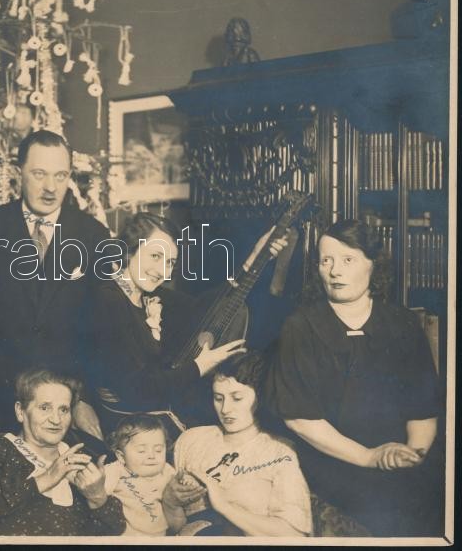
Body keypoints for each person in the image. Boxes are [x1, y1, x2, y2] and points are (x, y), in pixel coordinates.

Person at [265, 219, 442, 536]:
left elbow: (423, 409)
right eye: (326, 261)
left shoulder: (402, 323)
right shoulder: (300, 327)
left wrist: (411, 455)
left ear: (372, 264)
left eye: (348, 259)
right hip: (333, 461)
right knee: (375, 509)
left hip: (400, 455)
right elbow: (300, 418)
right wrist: (369, 457)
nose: (335, 271)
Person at [0, 129, 111, 437]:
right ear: (18, 171)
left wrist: (83, 398)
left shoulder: (93, 235)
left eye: (60, 176)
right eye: (39, 174)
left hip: (65, 404)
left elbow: (100, 330)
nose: (51, 187)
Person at [89, 212, 288, 434]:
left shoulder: (148, 296)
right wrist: (200, 366)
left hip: (153, 416)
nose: (162, 271)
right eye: (155, 256)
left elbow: (209, 305)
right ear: (129, 251)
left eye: (170, 262)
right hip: (126, 425)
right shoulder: (108, 301)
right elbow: (137, 389)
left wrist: (256, 258)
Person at [163, 352, 312, 537]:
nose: (225, 409)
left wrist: (224, 506)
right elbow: (174, 529)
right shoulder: (191, 440)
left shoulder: (280, 451)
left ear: (259, 398)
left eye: (237, 398)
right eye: (218, 398)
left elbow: (294, 535)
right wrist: (169, 502)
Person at [0, 368, 126, 536]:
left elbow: (114, 532)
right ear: (20, 411)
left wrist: (98, 497)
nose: (56, 419)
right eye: (45, 408)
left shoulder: (80, 458)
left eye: (64, 409)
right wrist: (49, 476)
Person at [103, 415, 177, 536]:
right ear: (121, 457)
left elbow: (180, 489)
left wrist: (187, 483)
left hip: (162, 537)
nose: (152, 456)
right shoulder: (116, 470)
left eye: (158, 450)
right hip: (127, 538)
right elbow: (97, 490)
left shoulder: (167, 470)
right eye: (142, 451)